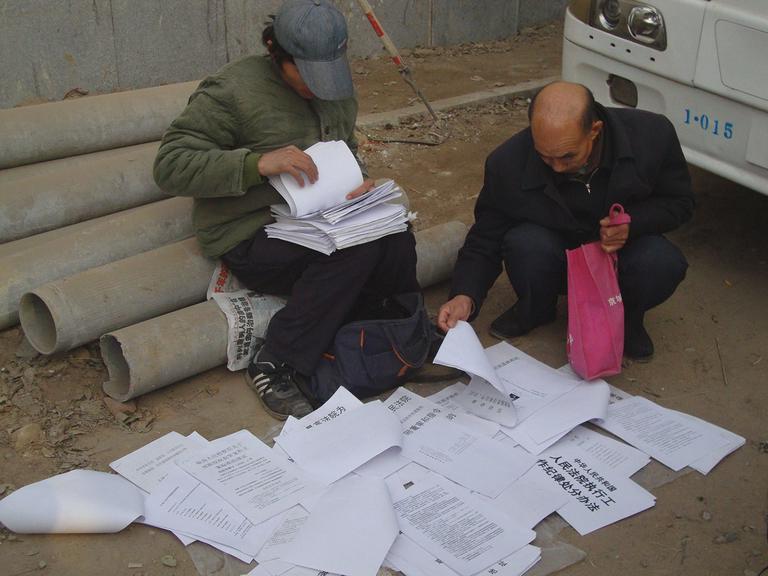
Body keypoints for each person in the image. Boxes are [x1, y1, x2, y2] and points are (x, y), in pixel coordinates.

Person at [153, 0, 419, 419]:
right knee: (352, 251)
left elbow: (343, 146)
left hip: (320, 216)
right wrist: (256, 163)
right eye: (306, 75)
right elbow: (170, 166)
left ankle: (392, 331)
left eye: (326, 74)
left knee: (394, 233)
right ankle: (276, 359)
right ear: (275, 50)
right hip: (249, 231)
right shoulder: (231, 92)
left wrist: (358, 181)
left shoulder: (333, 87)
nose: (317, 87)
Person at [438, 81, 694, 360]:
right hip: (555, 256)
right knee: (523, 242)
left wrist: (633, 224)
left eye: (568, 156)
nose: (558, 167)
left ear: (594, 131)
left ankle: (626, 318)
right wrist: (465, 295)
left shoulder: (651, 136)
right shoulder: (507, 162)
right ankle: (537, 307)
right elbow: (486, 236)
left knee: (661, 261)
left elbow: (680, 202)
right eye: (545, 157)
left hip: (620, 256)